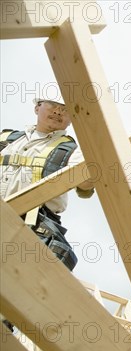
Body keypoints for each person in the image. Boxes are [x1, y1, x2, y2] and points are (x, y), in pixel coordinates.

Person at [1, 97, 95, 271]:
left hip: (30, 227)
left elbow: (85, 185)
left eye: (65, 109)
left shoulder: (73, 150)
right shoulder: (6, 138)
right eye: (53, 105)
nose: (58, 111)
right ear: (37, 108)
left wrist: (96, 166)